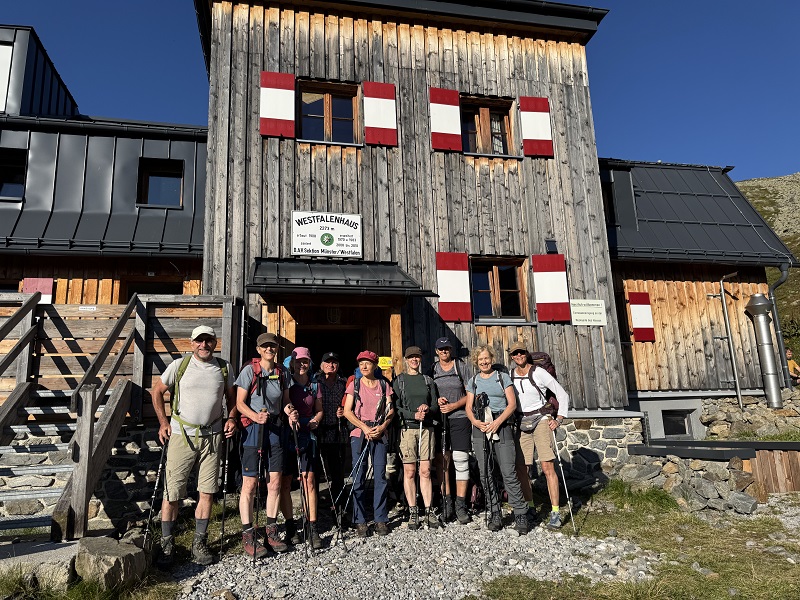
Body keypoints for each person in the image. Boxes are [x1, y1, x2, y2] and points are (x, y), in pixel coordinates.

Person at [151, 325, 237, 567]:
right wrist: (163, 423)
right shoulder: (180, 365)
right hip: (181, 435)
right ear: (191, 343)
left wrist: (232, 418)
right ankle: (167, 544)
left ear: (215, 343)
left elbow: (232, 398)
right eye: (199, 340)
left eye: (208, 340)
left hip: (212, 436)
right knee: (172, 492)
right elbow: (157, 391)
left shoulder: (224, 367)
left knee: (207, 491)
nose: (204, 345)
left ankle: (199, 542)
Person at [234, 332, 291, 559]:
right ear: (258, 349)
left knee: (275, 482)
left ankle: (271, 531)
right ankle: (248, 534)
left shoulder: (282, 372)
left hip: (275, 428)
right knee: (250, 483)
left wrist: (290, 411)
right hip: (253, 430)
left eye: (272, 346)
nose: (269, 349)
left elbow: (285, 401)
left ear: (276, 349)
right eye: (265, 346)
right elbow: (239, 403)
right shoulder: (250, 371)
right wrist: (255, 416)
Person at [464, 344, 528, 534]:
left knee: (508, 472)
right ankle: (495, 512)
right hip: (481, 427)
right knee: (485, 473)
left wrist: (497, 422)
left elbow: (512, 404)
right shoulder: (473, 381)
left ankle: (520, 513)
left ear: (492, 359)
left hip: (502, 425)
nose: (484, 362)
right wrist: (476, 422)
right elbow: (468, 407)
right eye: (480, 359)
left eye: (486, 358)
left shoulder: (502, 377)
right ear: (476, 362)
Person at [508, 341, 570, 530]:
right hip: (521, 421)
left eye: (521, 352)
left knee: (547, 466)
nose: (518, 356)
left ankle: (555, 512)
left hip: (542, 419)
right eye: (515, 353)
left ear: (526, 353)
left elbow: (562, 394)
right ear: (512, 357)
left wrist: (559, 419)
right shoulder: (510, 375)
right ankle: (530, 507)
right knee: (522, 468)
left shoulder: (539, 372)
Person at [343, 350, 395, 537]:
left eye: (368, 363)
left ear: (375, 365)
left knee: (380, 476)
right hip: (359, 433)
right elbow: (347, 411)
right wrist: (365, 428)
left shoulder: (383, 384)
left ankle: (381, 518)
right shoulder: (354, 385)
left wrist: (383, 427)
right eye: (361, 363)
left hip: (379, 433)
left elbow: (390, 409)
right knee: (358, 477)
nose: (364, 366)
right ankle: (360, 520)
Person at [393, 346, 441, 530]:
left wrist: (427, 409)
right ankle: (413, 510)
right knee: (410, 471)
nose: (414, 360)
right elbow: (396, 408)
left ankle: (428, 510)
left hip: (426, 429)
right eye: (411, 357)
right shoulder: (400, 381)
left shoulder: (428, 381)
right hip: (407, 430)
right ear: (406, 359)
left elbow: (435, 406)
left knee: (426, 471)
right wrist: (413, 415)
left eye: (417, 357)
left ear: (420, 359)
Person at [282, 347, 324, 549]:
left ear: (310, 362)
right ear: (292, 362)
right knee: (285, 481)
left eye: (305, 361)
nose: (302, 364)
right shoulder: (286, 382)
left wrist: (316, 420)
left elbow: (319, 410)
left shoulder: (314, 385)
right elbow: (282, 403)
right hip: (288, 434)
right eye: (298, 361)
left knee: (309, 480)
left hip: (308, 434)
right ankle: (290, 526)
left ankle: (312, 526)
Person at [430, 337, 473, 524]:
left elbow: (471, 393)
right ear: (436, 351)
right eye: (441, 349)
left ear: (451, 350)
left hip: (460, 417)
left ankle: (460, 504)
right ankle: (446, 501)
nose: (444, 351)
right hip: (440, 420)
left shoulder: (460, 367)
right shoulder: (433, 369)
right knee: (442, 460)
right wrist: (437, 400)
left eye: (447, 348)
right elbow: (429, 393)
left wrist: (454, 405)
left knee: (461, 459)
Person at [314, 352, 348, 517]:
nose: (331, 365)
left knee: (338, 473)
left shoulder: (344, 384)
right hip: (318, 431)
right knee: (315, 472)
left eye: (334, 362)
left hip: (337, 431)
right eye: (327, 362)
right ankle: (314, 507)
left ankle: (338, 506)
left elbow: (351, 404)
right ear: (321, 365)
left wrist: (344, 411)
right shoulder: (315, 382)